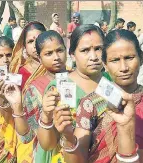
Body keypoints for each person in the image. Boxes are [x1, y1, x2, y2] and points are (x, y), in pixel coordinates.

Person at [41, 29, 143, 163]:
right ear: (105, 64)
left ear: (141, 58)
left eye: (129, 58)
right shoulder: (91, 103)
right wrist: (68, 137)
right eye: (115, 60)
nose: (123, 67)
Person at [35, 24, 110, 162]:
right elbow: (47, 145)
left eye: (98, 49)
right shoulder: (59, 88)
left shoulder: (111, 83)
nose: (93, 57)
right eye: (85, 50)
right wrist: (46, 116)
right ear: (73, 55)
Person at [5, 30, 68, 163]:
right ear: (39, 58)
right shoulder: (35, 89)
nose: (56, 57)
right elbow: (26, 137)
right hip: (49, 154)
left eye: (60, 50)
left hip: (81, 149)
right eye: (48, 53)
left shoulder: (78, 79)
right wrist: (17, 107)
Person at [10, 21, 46, 89]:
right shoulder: (19, 73)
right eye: (30, 41)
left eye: (39, 39)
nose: (35, 45)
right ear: (24, 46)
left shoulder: (56, 68)